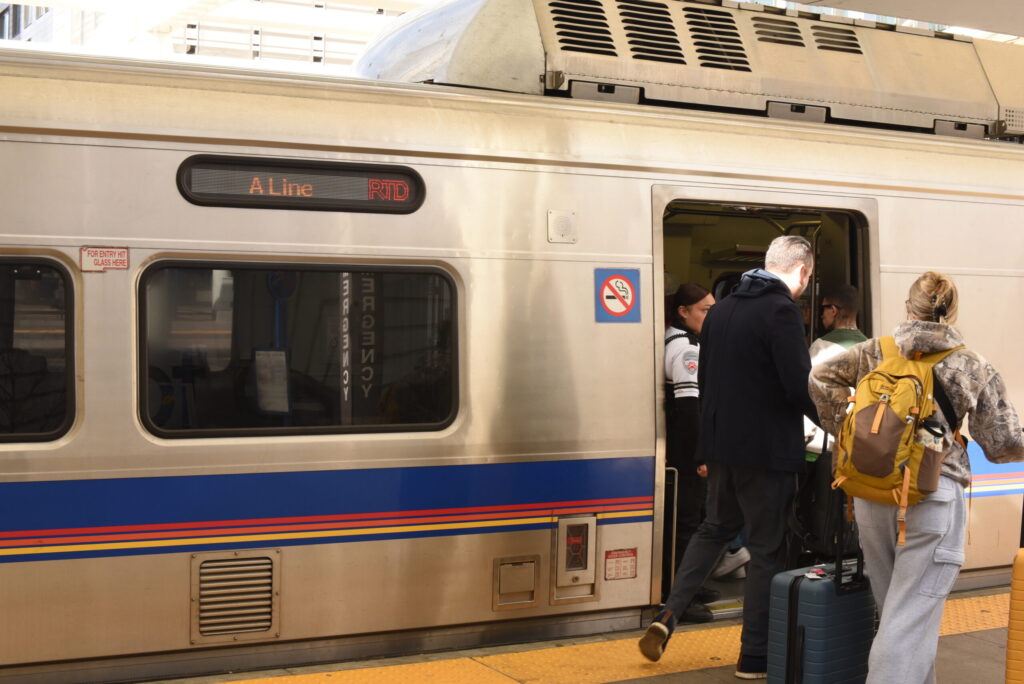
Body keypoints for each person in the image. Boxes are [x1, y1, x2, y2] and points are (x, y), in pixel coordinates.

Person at [808, 271, 1024, 684]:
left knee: (898, 614)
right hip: (931, 496)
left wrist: (852, 435)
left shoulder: (876, 350)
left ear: (909, 308)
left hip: (873, 493)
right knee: (908, 621)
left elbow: (819, 378)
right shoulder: (969, 364)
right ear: (952, 311)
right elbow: (1002, 444)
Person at [639, 235, 819, 680]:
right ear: (801, 271)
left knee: (713, 529)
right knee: (766, 551)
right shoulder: (781, 312)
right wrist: (837, 423)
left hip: (721, 448)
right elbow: (799, 386)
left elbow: (708, 385)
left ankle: (668, 615)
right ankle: (753, 656)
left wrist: (706, 447)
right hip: (766, 454)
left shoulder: (721, 312)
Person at [662, 282, 717, 621]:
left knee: (686, 519)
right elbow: (689, 409)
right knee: (686, 522)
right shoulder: (686, 350)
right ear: (684, 311)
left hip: (677, 450)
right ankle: (679, 598)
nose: (710, 316)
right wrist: (702, 455)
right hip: (685, 453)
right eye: (705, 310)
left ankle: (689, 585)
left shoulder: (671, 338)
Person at [804, 284, 868, 460]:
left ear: (833, 310)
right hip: (855, 444)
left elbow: (811, 395)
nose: (821, 315)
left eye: (823, 309)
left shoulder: (821, 347)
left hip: (821, 447)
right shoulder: (871, 347)